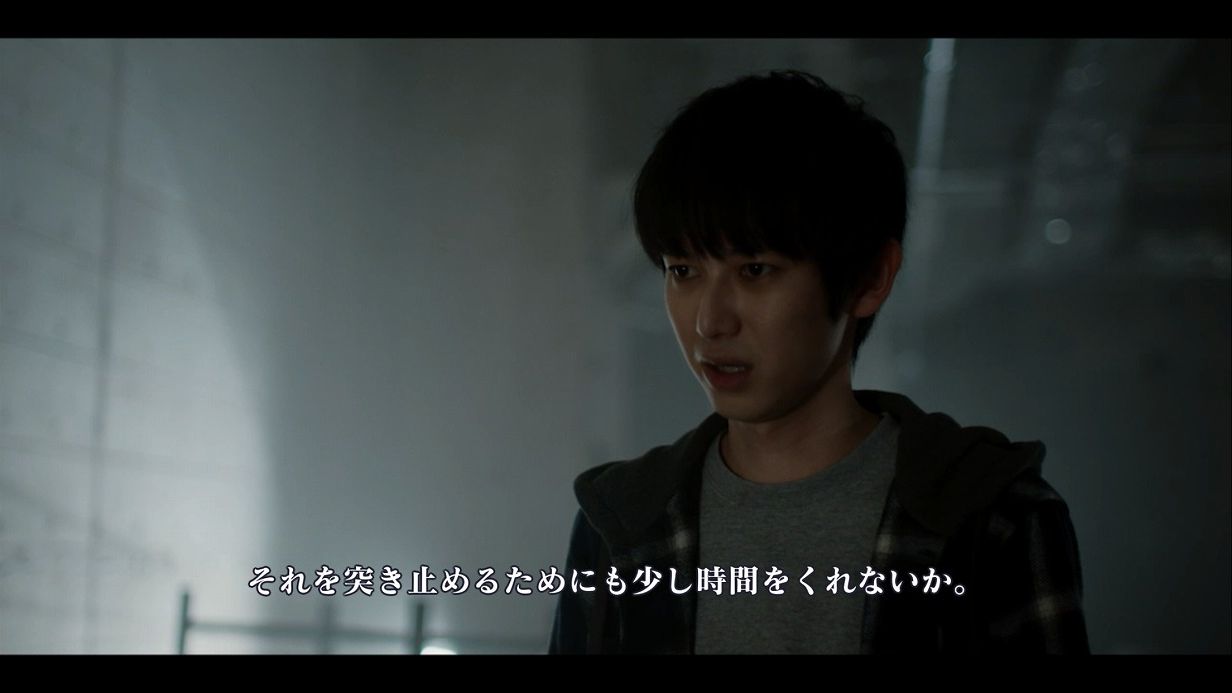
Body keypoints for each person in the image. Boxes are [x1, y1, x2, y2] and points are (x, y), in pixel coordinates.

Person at [548, 69, 1089, 654]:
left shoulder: (991, 514)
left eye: (755, 270)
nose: (710, 322)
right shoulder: (622, 522)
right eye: (683, 271)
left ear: (869, 278)